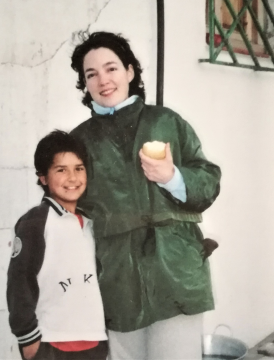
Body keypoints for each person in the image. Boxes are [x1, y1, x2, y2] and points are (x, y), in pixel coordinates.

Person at [70, 31, 221, 360]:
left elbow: (209, 182)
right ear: (85, 84)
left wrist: (172, 177)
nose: (103, 80)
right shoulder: (79, 141)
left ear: (129, 71)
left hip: (175, 270)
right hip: (118, 276)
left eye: (111, 68)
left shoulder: (167, 122)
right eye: (91, 74)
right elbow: (69, 208)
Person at [7, 130, 108, 360]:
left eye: (79, 168)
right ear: (43, 177)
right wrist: (28, 338)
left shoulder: (92, 223)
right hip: (51, 344)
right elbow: (19, 282)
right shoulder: (36, 222)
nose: (73, 178)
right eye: (61, 170)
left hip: (94, 342)